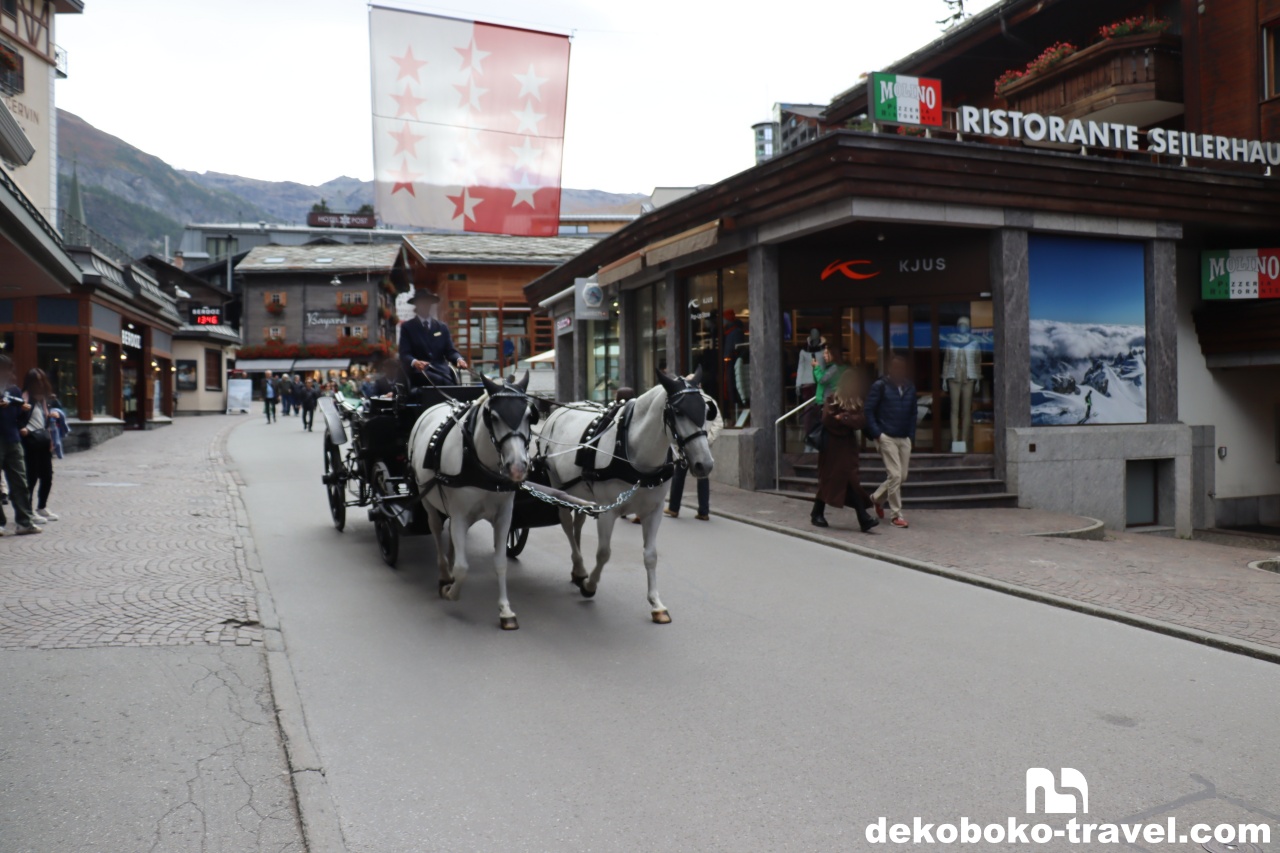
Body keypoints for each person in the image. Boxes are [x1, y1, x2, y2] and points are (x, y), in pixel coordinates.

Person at [811, 370, 878, 532]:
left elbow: (861, 420)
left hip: (847, 448)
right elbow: (828, 419)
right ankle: (861, 518)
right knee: (831, 479)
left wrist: (844, 418)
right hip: (831, 448)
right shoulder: (832, 398)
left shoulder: (856, 401)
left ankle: (862, 518)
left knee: (849, 480)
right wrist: (847, 421)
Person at [864, 354, 918, 529]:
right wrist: (877, 434)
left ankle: (876, 498)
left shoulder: (910, 388)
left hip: (904, 437)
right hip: (886, 436)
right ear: (890, 369)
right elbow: (869, 410)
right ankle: (896, 514)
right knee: (894, 475)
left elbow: (913, 413)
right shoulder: (880, 386)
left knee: (901, 477)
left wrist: (911, 435)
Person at [0, 355, 40, 535]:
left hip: (13, 440)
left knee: (20, 482)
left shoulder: (14, 390)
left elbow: (19, 419)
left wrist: (25, 412)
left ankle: (24, 522)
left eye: (8, 369)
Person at [399, 289, 467, 386]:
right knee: (437, 381)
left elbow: (450, 351)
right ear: (417, 306)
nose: (425, 306)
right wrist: (415, 362)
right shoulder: (408, 327)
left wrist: (458, 359)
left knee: (452, 384)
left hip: (442, 372)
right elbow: (404, 354)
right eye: (422, 303)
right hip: (420, 373)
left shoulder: (441, 327)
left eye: (427, 303)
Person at [20, 368, 59, 524]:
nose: (40, 383)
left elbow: (43, 421)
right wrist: (22, 429)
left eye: (42, 380)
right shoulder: (24, 398)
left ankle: (41, 507)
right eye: (37, 380)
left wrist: (50, 417)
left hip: (42, 440)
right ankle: (28, 511)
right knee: (31, 476)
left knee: (47, 475)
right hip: (30, 441)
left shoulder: (42, 399)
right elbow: (16, 418)